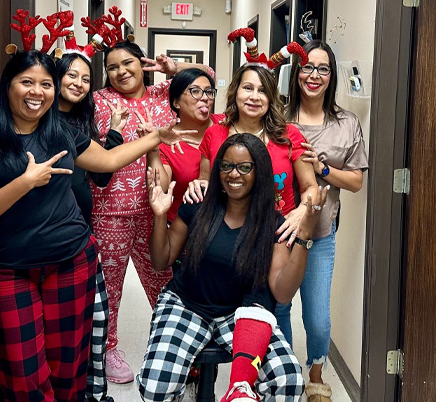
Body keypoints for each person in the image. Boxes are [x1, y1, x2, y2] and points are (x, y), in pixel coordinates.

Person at [0, 44, 198, 401]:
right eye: (27, 82)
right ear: (7, 84)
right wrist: (24, 183)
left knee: (70, 370)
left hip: (71, 262)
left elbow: (107, 161)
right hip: (7, 269)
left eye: (45, 84)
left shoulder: (61, 130)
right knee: (23, 378)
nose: (37, 92)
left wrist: (155, 138)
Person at [137, 133, 328, 402]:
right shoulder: (198, 205)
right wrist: (159, 216)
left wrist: (304, 235)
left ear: (259, 172)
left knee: (287, 380)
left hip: (241, 315)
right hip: (187, 305)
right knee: (155, 387)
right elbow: (160, 261)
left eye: (244, 167)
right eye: (226, 166)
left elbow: (282, 293)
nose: (233, 174)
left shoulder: (273, 224)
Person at [91, 12, 214, 383]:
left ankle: (175, 347)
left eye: (127, 63)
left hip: (155, 211)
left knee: (163, 284)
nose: (121, 72)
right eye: (112, 67)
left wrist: (174, 68)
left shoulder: (164, 94)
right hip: (110, 212)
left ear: (141, 64)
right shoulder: (99, 101)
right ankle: (108, 350)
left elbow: (206, 76)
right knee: (109, 288)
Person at [274, 40, 368, 402]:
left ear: (331, 76)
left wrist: (323, 169)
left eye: (323, 68)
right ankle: (284, 371)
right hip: (279, 233)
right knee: (279, 307)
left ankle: (315, 374)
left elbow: (356, 182)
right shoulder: (277, 118)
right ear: (296, 72)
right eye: (307, 67)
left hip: (321, 234)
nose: (314, 75)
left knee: (316, 317)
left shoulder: (346, 123)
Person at [184, 36, 317, 240]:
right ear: (235, 91)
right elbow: (205, 182)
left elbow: (310, 187)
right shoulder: (214, 134)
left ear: (270, 98)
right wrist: (197, 185)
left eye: (263, 91)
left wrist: (302, 211)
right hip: (224, 234)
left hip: (277, 234)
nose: (254, 97)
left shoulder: (289, 135)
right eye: (248, 88)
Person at [57, 50, 127, 402]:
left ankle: (94, 393)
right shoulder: (43, 121)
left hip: (82, 235)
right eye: (71, 75)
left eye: (86, 79)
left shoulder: (82, 123)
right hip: (54, 239)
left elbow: (101, 176)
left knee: (94, 320)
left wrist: (114, 131)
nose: (79, 83)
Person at [146, 68, 224, 227]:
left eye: (209, 92)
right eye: (195, 91)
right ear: (176, 102)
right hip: (185, 225)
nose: (205, 98)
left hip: (228, 222)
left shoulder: (226, 123)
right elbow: (162, 188)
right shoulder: (166, 141)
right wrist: (152, 146)